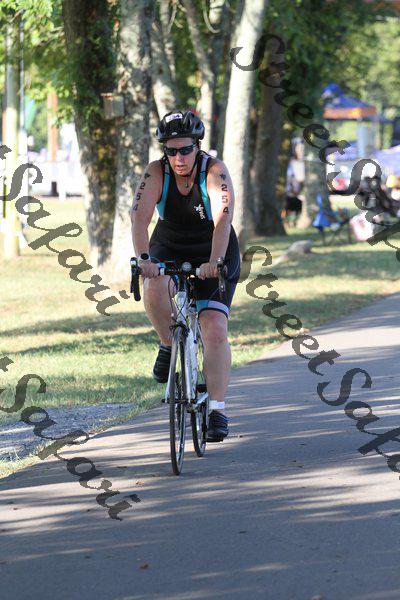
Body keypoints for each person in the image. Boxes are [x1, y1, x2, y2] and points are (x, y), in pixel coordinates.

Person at [130, 110, 241, 442]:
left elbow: (223, 220)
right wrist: (145, 259)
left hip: (213, 247)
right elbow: (139, 219)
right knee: (155, 286)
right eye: (171, 150)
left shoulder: (215, 171)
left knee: (214, 327)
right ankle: (168, 344)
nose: (179, 158)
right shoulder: (156, 172)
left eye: (185, 150)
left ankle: (217, 408)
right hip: (170, 243)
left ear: (197, 147)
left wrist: (214, 262)